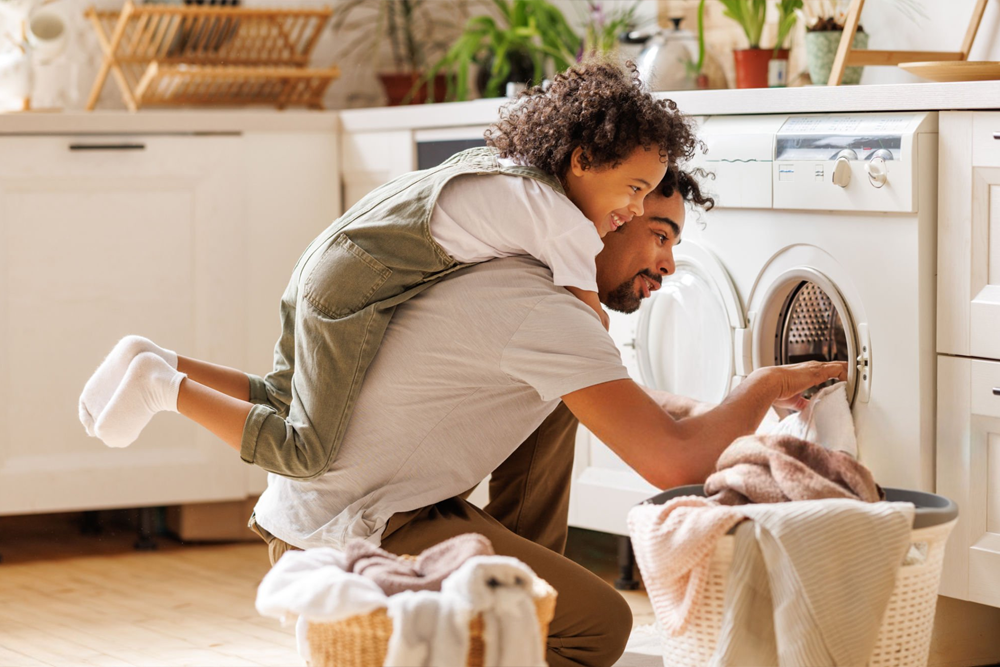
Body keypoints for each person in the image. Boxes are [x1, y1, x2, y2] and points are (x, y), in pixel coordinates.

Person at [167, 167, 845, 667]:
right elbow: (674, 462)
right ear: (609, 220)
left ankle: (510, 615)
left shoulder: (530, 282)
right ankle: (512, 632)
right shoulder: (543, 313)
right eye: (657, 234)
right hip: (354, 530)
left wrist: (709, 408)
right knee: (599, 628)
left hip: (354, 506)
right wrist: (761, 387)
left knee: (560, 407)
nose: (667, 264)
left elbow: (613, 397)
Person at [78, 59, 692, 480]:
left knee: (280, 396)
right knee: (305, 452)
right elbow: (590, 334)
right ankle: (165, 387)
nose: (633, 211)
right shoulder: (560, 223)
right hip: (353, 290)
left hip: (324, 267)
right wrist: (652, 412)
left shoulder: (514, 173)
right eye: (634, 191)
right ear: (583, 160)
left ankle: (156, 355)